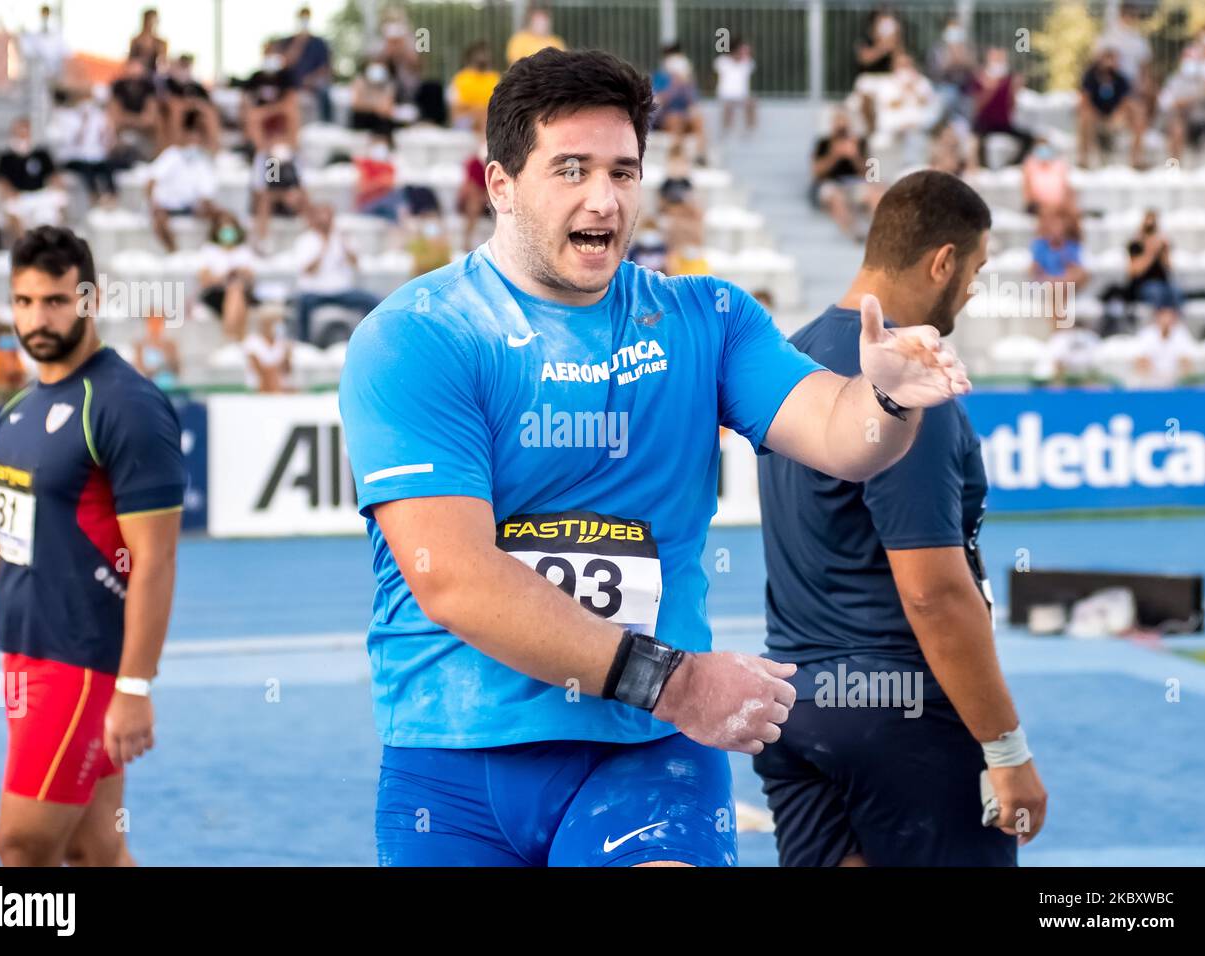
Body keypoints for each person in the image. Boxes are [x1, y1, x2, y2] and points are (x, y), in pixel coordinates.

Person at [338, 48, 970, 868]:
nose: (604, 198)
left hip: (649, 753)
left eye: (623, 172)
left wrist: (882, 397)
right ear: (500, 185)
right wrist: (678, 681)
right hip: (455, 751)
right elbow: (453, 574)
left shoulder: (704, 316)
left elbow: (842, 437)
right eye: (571, 169)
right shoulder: (419, 336)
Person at [755, 170, 1047, 867]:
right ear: (941, 260)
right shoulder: (909, 381)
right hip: (902, 714)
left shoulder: (784, 357)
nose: (975, 288)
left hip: (795, 706)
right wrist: (1006, 750)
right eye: (975, 268)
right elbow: (933, 590)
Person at [0, 226, 185, 866]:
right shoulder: (19, 408)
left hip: (81, 664)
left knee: (22, 847)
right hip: (25, 655)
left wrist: (134, 686)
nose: (36, 319)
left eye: (54, 302)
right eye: (23, 302)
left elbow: (154, 559)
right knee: (94, 850)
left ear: (89, 300)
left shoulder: (125, 406)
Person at [292, 203, 381, 343]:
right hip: (314, 291)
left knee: (372, 301)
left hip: (341, 290)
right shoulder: (306, 240)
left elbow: (356, 264)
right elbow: (307, 270)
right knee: (302, 305)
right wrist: (323, 248)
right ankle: (304, 343)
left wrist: (344, 244)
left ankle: (370, 339)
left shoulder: (342, 238)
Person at [146, 113, 218, 254]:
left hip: (191, 208)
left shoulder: (203, 159)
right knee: (158, 219)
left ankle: (213, 251)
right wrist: (153, 204)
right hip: (167, 207)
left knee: (222, 217)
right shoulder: (171, 155)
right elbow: (151, 182)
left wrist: (206, 204)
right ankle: (173, 252)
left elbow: (206, 192)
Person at [811, 109, 883, 242]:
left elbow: (871, 173)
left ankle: (880, 232)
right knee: (835, 196)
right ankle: (854, 233)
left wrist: (854, 156)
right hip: (830, 183)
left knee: (875, 193)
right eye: (838, 122)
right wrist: (835, 155)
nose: (841, 126)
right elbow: (816, 172)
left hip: (855, 183)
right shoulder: (823, 143)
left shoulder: (860, 143)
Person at [0, 117, 67, 235]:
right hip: (19, 196)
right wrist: (9, 192)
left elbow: (53, 175)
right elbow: (0, 180)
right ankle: (24, 245)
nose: (23, 135)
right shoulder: (5, 157)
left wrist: (58, 186)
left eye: (25, 131)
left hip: (40, 195)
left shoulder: (41, 154)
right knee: (12, 208)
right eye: (20, 132)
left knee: (55, 205)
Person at [1078, 44, 1146, 168]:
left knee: (1138, 114)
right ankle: (1083, 160)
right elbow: (1085, 100)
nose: (1109, 63)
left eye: (1113, 59)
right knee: (1084, 117)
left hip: (1117, 117)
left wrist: (1116, 117)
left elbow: (1126, 101)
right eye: (1107, 58)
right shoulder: (1090, 76)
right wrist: (1098, 117)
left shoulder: (1121, 79)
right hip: (1095, 116)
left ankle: (1136, 160)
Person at [197, 211, 259, 340]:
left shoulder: (243, 250)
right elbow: (204, 279)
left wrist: (239, 272)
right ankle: (238, 338)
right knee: (234, 291)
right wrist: (223, 277)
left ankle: (230, 336)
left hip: (241, 291)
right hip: (216, 293)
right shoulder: (209, 250)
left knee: (236, 290)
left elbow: (251, 276)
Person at [969, 48, 1032, 168]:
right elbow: (977, 106)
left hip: (1003, 123)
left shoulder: (1008, 79)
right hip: (984, 123)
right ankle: (980, 167)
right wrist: (990, 88)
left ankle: (1014, 165)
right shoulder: (980, 78)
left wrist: (1015, 89)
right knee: (976, 140)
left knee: (1027, 139)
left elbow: (1012, 106)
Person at [285, 6, 334, 124]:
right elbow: (287, 63)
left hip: (314, 82)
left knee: (325, 90)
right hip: (293, 82)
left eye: (306, 17)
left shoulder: (319, 43)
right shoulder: (289, 41)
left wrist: (311, 79)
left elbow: (325, 67)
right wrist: (299, 42)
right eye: (302, 18)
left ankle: (325, 124)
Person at [1126, 209, 1181, 311]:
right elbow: (1133, 272)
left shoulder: (1161, 244)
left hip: (1162, 283)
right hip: (1143, 285)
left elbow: (1169, 267)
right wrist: (1150, 252)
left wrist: (1164, 252)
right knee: (1156, 292)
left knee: (1176, 292)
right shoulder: (1135, 245)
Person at [1132, 304, 1197, 387]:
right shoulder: (1147, 334)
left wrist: (1180, 379)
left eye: (1170, 315)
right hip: (1151, 383)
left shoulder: (1181, 334)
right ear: (1157, 317)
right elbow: (1141, 361)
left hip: (1175, 382)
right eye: (1164, 315)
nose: (1167, 319)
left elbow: (1187, 361)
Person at [109, 57, 161, 162]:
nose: (135, 70)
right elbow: (115, 116)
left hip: (142, 137)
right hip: (120, 136)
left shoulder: (149, 88)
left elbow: (149, 120)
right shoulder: (119, 86)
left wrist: (127, 119)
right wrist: (137, 120)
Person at [449, 42, 500, 133]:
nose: (482, 56)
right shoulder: (460, 79)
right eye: (480, 53)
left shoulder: (494, 78)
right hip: (467, 120)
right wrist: (477, 112)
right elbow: (455, 111)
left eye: (485, 53)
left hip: (489, 119)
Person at [242, 305, 294, 392]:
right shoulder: (252, 342)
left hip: (281, 389)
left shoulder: (283, 342)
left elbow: (287, 370)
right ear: (266, 323)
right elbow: (258, 369)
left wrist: (287, 356)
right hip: (258, 388)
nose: (279, 324)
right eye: (276, 321)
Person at [714, 39, 756, 134]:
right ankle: (725, 130)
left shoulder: (747, 63)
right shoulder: (723, 61)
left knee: (752, 104)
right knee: (728, 107)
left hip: (742, 96)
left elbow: (749, 64)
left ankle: (750, 130)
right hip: (726, 95)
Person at [133, 311, 181, 390]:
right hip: (148, 389)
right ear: (147, 324)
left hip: (170, 389)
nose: (155, 326)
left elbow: (177, 370)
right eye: (152, 322)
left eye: (159, 322)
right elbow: (138, 371)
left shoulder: (171, 345)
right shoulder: (140, 346)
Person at [128, 8, 168, 75]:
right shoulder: (135, 40)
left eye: (153, 20)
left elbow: (164, 64)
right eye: (148, 20)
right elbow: (130, 61)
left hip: (153, 76)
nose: (150, 23)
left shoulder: (161, 43)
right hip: (136, 74)